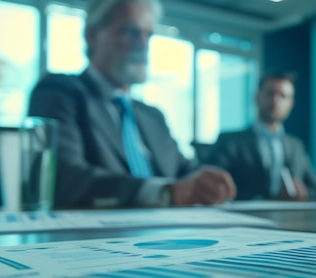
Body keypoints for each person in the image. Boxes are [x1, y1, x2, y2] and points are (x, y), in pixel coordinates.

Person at [28, 0, 236, 209]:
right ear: (92, 36)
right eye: (130, 32)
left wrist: (211, 183)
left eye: (148, 35)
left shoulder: (152, 116)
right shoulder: (60, 93)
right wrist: (164, 193)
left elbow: (185, 171)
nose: (143, 44)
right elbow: (62, 177)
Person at [207, 73, 316, 201]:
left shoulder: (296, 146)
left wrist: (304, 193)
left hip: (290, 218)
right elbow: (209, 184)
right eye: (270, 93)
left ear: (290, 104)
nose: (276, 100)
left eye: (283, 96)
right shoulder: (230, 142)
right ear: (257, 97)